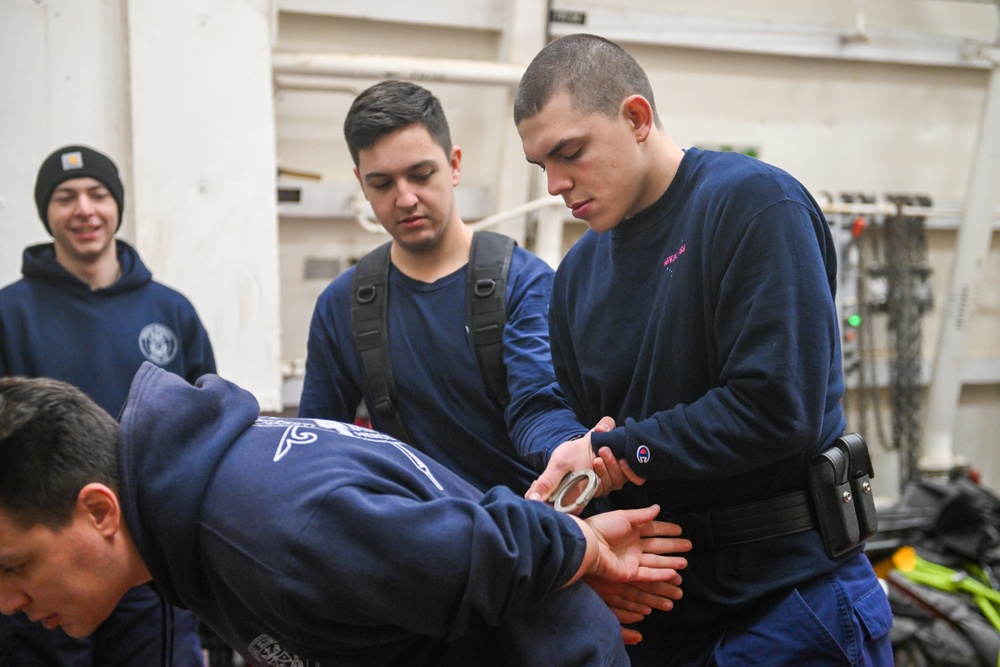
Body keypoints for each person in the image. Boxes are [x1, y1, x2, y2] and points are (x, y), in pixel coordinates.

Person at [513, 34, 894, 665]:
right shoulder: (577, 273)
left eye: (569, 152)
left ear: (635, 117)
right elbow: (582, 421)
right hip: (661, 614)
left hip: (787, 605)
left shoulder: (751, 205)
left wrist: (615, 452)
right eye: (540, 165)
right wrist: (581, 494)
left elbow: (774, 409)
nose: (555, 183)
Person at [0, 364, 691, 667]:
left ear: (98, 509)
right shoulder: (200, 509)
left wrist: (580, 546)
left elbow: (483, 550)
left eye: (14, 566)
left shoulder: (270, 531)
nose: (8, 600)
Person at [298, 80, 606, 495]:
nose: (405, 198)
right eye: (382, 184)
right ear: (360, 182)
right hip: (416, 537)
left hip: (522, 537)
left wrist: (573, 449)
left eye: (421, 175)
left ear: (454, 165)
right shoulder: (342, 305)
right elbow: (319, 446)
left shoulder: (523, 284)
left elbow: (541, 404)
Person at [0, 145, 215, 665]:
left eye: (98, 194)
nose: (84, 209)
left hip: (146, 555)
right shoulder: (10, 312)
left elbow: (208, 428)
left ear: (116, 205)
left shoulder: (170, 310)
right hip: (41, 557)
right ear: (46, 213)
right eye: (65, 197)